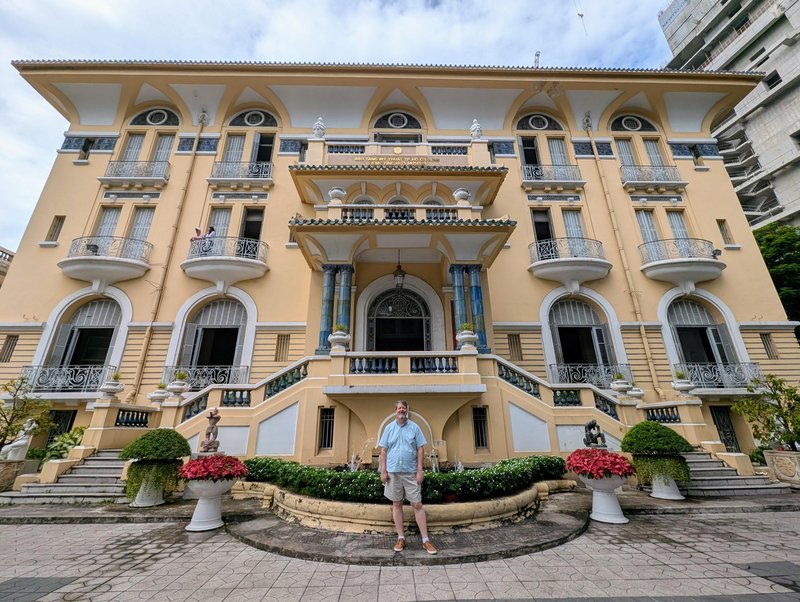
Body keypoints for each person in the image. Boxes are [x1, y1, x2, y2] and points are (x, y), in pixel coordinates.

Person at [379, 399, 438, 555]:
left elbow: (420, 449)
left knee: (417, 504)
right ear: (395, 410)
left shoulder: (415, 428)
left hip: (411, 472)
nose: (401, 410)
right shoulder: (389, 428)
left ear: (407, 410)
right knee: (396, 503)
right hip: (393, 473)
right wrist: (383, 471)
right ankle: (400, 537)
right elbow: (383, 451)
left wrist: (420, 470)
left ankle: (425, 540)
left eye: (403, 408)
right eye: (399, 408)